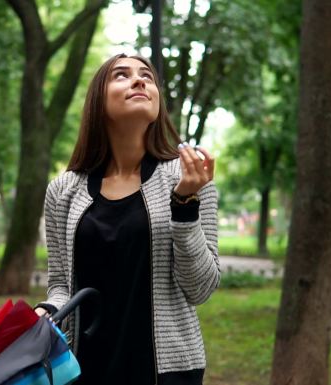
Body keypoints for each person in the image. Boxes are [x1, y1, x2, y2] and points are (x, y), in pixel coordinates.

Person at [34, 53, 220, 384]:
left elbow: (201, 289)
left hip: (166, 373)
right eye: (121, 75)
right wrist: (47, 311)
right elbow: (62, 284)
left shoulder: (188, 178)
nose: (139, 80)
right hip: (83, 370)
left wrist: (185, 204)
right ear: (97, 103)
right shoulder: (63, 191)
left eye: (146, 76)